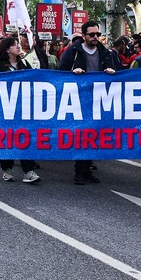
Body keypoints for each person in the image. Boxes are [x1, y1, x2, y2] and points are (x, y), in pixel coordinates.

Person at [57, 19, 121, 186]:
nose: (95, 37)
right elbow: (60, 73)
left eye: (98, 34)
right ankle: (79, 172)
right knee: (82, 135)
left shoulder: (105, 52)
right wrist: (73, 73)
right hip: (79, 99)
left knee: (93, 135)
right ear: (84, 35)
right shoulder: (73, 51)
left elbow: (118, 72)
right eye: (92, 34)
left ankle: (87, 170)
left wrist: (112, 72)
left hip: (99, 99)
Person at [0, 36, 41, 184]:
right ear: (7, 49)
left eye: (18, 44)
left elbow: (35, 80)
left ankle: (29, 171)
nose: (18, 47)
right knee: (7, 138)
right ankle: (7, 169)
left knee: (25, 137)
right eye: (14, 45)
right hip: (6, 110)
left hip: (23, 109)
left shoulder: (24, 64)